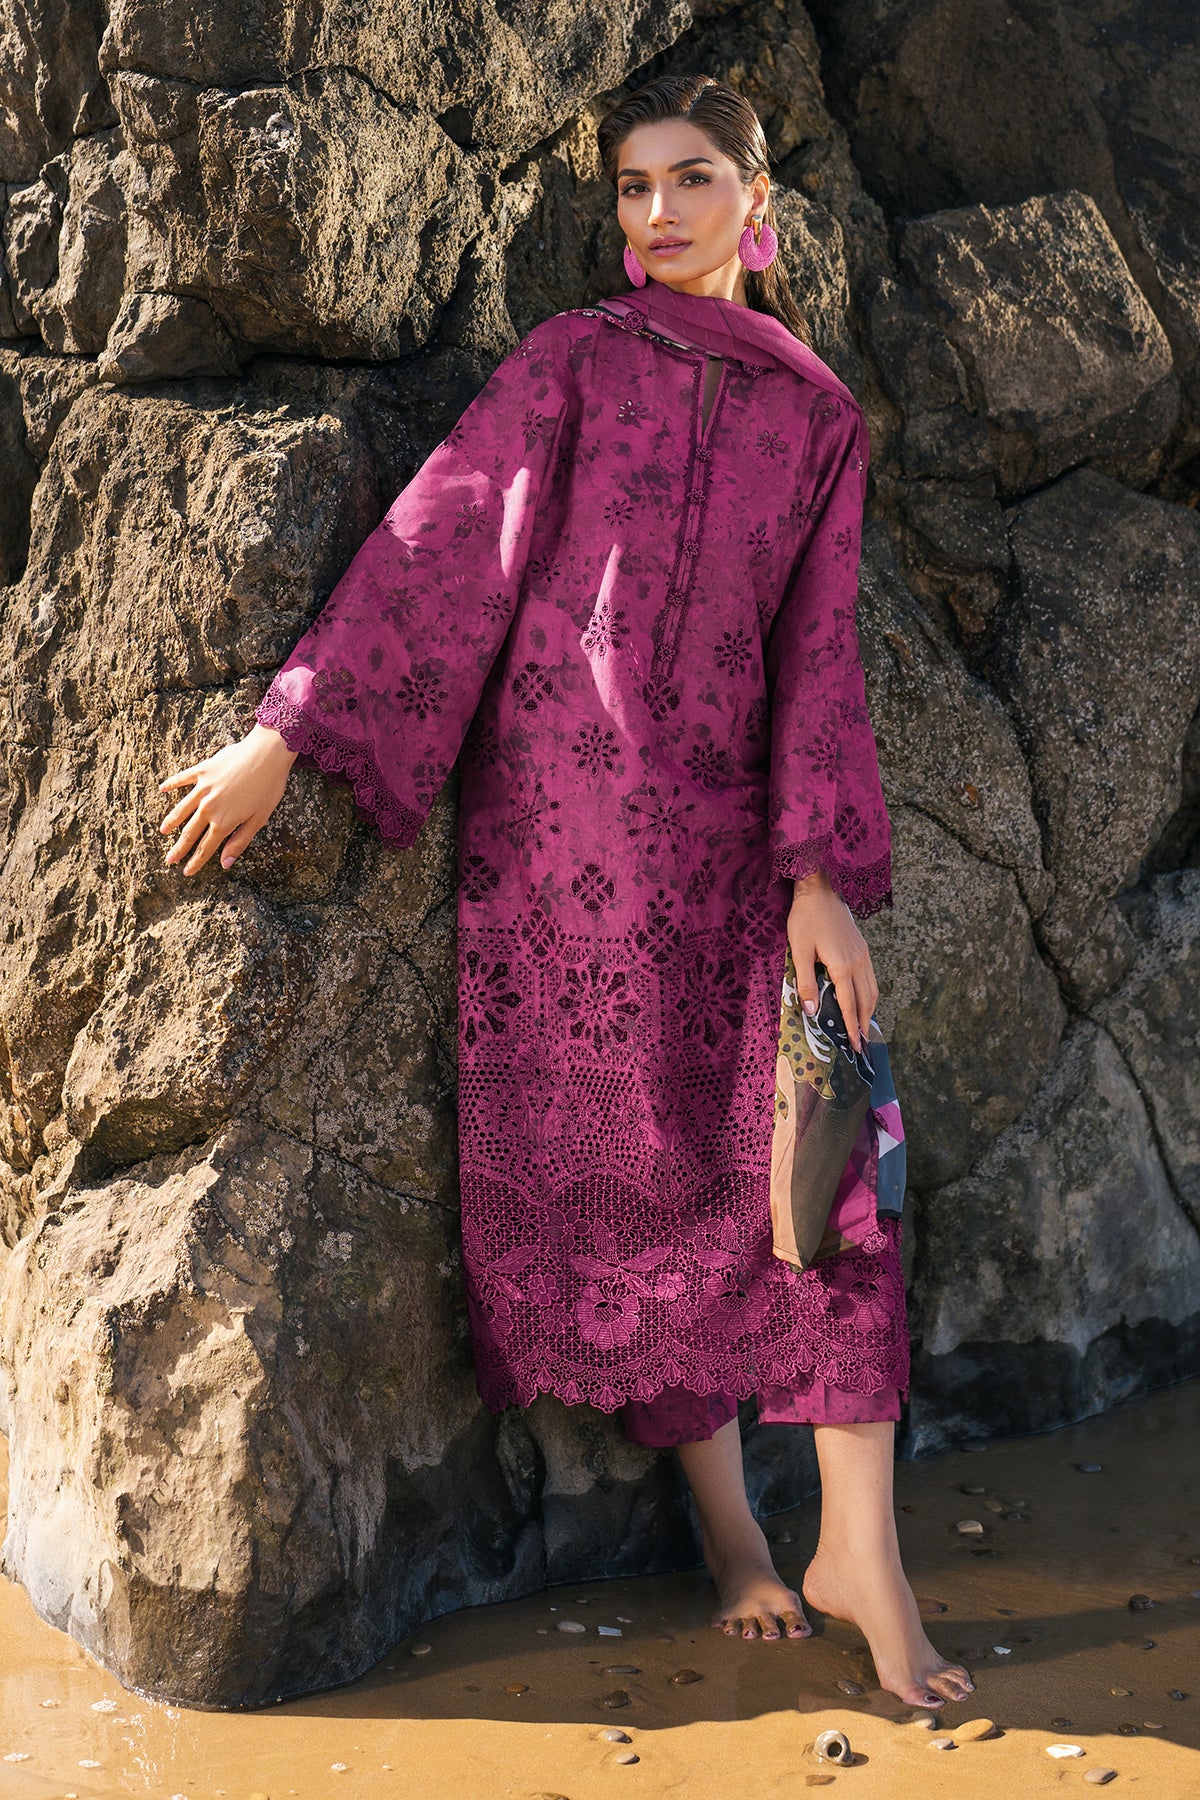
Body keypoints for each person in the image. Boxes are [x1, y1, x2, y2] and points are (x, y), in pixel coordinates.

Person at [156, 72, 973, 1710]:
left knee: (840, 1163)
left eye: (692, 179)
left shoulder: (820, 418)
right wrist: (284, 735)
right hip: (564, 859)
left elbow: (821, 657)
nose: (658, 214)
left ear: (757, 198)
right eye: (632, 186)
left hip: (745, 858)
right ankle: (735, 1536)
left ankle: (862, 1557)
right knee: (649, 1189)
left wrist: (822, 878)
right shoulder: (571, 362)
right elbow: (445, 542)